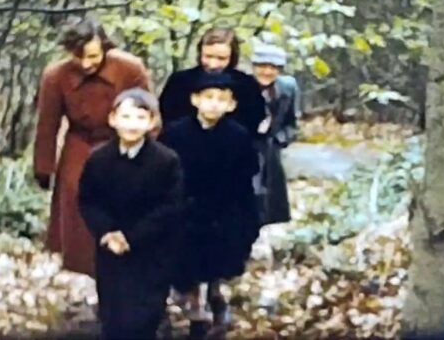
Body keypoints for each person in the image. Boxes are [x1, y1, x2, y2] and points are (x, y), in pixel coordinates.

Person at [33, 16, 151, 276]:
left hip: (123, 141)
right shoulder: (56, 76)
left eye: (93, 56)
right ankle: (90, 274)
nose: (86, 64)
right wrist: (44, 167)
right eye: (79, 57)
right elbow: (47, 125)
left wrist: (151, 158)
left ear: (105, 47)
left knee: (125, 205)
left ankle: (126, 276)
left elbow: (149, 114)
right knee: (79, 206)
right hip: (80, 144)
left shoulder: (129, 69)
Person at [159, 72, 260, 335]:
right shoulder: (175, 133)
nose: (214, 104)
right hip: (185, 209)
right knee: (186, 262)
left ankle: (216, 298)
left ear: (231, 105)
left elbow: (245, 179)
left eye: (221, 99)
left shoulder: (238, 136)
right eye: (208, 98)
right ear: (195, 100)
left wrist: (248, 219)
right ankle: (194, 310)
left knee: (219, 260)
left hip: (223, 210)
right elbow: (165, 174)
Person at [79, 89, 183, 340]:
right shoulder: (99, 159)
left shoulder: (166, 160)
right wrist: (107, 232)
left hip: (151, 249)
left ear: (151, 122)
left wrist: (132, 237)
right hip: (111, 251)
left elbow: (171, 205)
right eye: (125, 117)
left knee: (144, 317)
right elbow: (88, 200)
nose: (132, 125)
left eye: (139, 117)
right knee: (113, 315)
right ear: (112, 119)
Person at [159, 27, 266, 134]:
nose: (213, 64)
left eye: (221, 58)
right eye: (208, 56)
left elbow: (253, 122)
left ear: (232, 57)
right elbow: (166, 117)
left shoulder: (246, 85)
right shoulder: (180, 81)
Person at [251, 43, 300, 226]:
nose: (266, 72)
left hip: (271, 152)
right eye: (262, 66)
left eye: (273, 67)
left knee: (271, 204)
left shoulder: (288, 87)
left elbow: (293, 125)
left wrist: (278, 140)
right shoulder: (241, 87)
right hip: (244, 151)